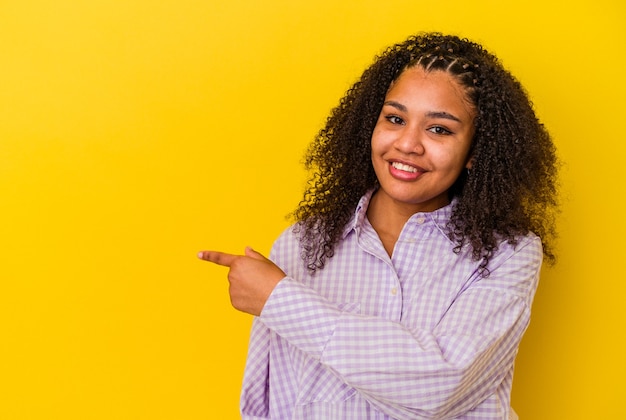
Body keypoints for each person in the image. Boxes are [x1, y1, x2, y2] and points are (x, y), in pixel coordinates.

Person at [198, 32, 558, 419]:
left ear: (475, 152)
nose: (407, 143)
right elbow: (268, 402)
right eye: (395, 119)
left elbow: (440, 386)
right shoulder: (301, 245)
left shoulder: (507, 253)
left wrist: (283, 302)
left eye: (439, 129)